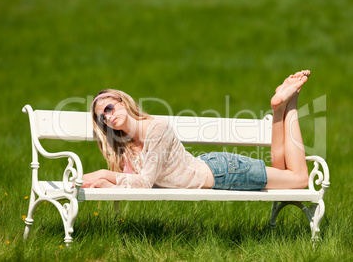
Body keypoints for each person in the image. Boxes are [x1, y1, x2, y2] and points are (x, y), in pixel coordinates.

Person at [82, 70, 310, 190]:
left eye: (110, 108)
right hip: (213, 169)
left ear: (122, 101)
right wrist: (107, 181)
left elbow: (144, 182)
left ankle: (290, 105)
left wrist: (103, 175)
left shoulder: (157, 129)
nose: (108, 117)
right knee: (282, 171)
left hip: (225, 173)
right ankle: (280, 109)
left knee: (299, 179)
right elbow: (134, 182)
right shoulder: (128, 146)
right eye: (102, 118)